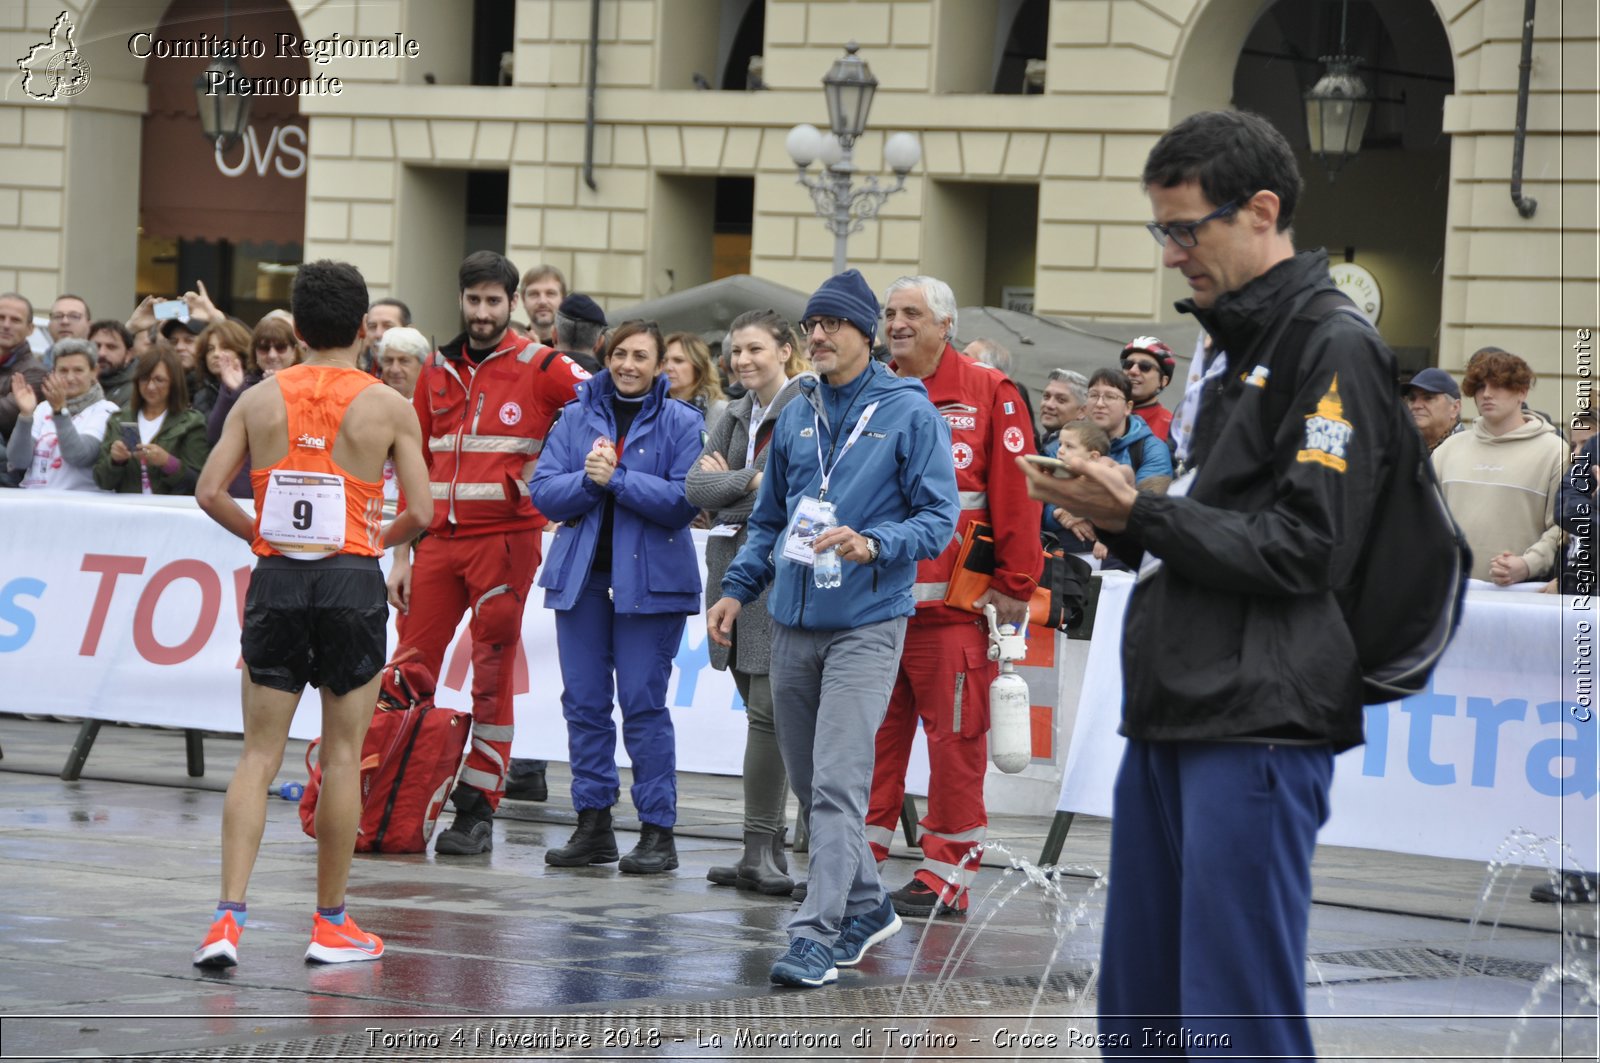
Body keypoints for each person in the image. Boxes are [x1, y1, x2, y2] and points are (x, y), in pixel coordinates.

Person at [1016, 109, 1399, 1059]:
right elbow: (1216, 515)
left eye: (1187, 228)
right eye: (1164, 230)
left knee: (1233, 1016)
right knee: (1142, 1014)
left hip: (1259, 715)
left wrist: (1138, 514)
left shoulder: (1332, 344)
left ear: (1262, 210)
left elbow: (1310, 545)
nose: (1173, 253)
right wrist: (1128, 506)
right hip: (1177, 702)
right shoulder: (1231, 343)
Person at [707, 269, 959, 988]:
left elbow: (939, 519)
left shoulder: (909, 411)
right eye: (810, 325)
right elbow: (769, 519)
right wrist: (736, 590)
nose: (816, 335)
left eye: (831, 325)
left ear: (864, 335)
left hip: (867, 622)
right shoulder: (797, 411)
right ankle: (869, 904)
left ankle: (816, 933)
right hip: (790, 617)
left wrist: (874, 542)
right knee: (813, 783)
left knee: (840, 784)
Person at [191, 259, 431, 968]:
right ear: (364, 329)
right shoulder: (389, 404)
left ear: (295, 330)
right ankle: (329, 925)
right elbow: (421, 511)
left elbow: (209, 491)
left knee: (257, 756)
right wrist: (371, 543)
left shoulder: (259, 399)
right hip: (351, 579)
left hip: (278, 579)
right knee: (343, 756)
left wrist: (262, 533)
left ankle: (226, 920)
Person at [387, 251, 590, 856]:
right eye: (473, 300)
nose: (482, 312)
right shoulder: (435, 369)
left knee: (492, 674)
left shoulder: (545, 365)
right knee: (407, 668)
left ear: (512, 303)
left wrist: (566, 483)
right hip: (437, 544)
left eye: (493, 302)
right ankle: (399, 789)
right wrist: (400, 555)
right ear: (460, 300)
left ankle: (476, 810)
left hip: (506, 541)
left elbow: (603, 408)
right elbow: (412, 462)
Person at [867, 275, 1042, 918]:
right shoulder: (875, 389)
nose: (897, 324)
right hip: (877, 609)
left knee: (955, 746)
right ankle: (857, 865)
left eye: (912, 313)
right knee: (869, 741)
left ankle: (946, 878)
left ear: (946, 325)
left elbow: (1018, 494)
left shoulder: (989, 391)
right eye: (890, 314)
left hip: (954, 616)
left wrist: (1015, 586)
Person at [528, 320, 703, 874]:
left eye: (641, 356)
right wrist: (589, 481)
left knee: (643, 706)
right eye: (620, 354)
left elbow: (684, 500)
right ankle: (594, 824)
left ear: (660, 366)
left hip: (650, 588)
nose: (628, 365)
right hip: (580, 582)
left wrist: (618, 478)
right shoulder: (575, 416)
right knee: (583, 704)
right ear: (607, 356)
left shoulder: (683, 422)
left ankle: (657, 831)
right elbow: (543, 491)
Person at [684, 309, 812, 894]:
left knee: (768, 717)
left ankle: (765, 850)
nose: (742, 361)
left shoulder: (805, 405)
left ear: (786, 350)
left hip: (776, 575)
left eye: (755, 349)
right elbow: (695, 488)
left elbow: (789, 496)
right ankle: (760, 852)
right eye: (736, 351)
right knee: (762, 714)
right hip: (731, 575)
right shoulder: (733, 411)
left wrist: (733, 481)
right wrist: (750, 480)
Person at [1432, 348, 1565, 586]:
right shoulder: (1447, 450)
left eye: (1498, 385)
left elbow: (1564, 528)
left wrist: (1527, 564)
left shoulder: (1556, 452)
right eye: (1480, 387)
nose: (1487, 394)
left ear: (1522, 392)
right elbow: (1424, 519)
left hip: (1519, 597)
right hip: (1447, 591)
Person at [92, 341, 209, 495]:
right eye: (144, 379)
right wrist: (115, 461)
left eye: (159, 380)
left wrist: (168, 462)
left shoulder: (191, 422)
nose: (150, 387)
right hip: (130, 511)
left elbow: (198, 482)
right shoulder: (119, 418)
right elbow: (102, 481)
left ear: (174, 383)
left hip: (171, 512)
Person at [6, 339, 121, 491]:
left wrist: (60, 412)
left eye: (78, 370)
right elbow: (18, 461)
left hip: (79, 507)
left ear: (94, 372)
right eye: (63, 370)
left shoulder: (106, 410)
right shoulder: (43, 408)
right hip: (34, 503)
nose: (70, 378)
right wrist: (25, 415)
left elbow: (79, 456)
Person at [1084, 367, 1173, 487]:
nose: (1099, 404)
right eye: (1093, 395)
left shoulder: (1152, 450)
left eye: (1110, 397)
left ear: (1128, 407)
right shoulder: (1067, 439)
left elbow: (1147, 501)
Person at [1038, 368, 1090, 546]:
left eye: (1061, 400)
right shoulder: (1043, 444)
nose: (1049, 404)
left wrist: (1059, 511)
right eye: (1046, 397)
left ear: (1082, 411)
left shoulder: (1086, 451)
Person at [0, 293, 48, 449]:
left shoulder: (35, 372)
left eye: (15, 320)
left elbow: (5, 418)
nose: (6, 325)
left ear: (30, 329)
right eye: (1, 317)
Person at [664, 331, 728, 427]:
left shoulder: (721, 411)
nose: (668, 367)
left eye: (678, 361)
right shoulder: (650, 412)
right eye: (663, 361)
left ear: (698, 367)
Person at [1120, 336, 1176, 441]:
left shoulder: (1172, 428)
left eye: (1145, 366)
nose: (1133, 371)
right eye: (1128, 364)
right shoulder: (1102, 414)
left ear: (1163, 381)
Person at [1404, 367, 1463, 452]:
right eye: (1412, 398)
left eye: (1428, 398)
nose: (1416, 405)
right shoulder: (1402, 450)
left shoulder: (1468, 451)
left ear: (1454, 408)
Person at [90, 319, 138, 410]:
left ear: (128, 354)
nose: (101, 353)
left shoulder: (137, 391)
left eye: (111, 347)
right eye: (96, 346)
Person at [519, 264, 568, 344]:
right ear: (523, 300)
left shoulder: (576, 348)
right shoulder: (511, 346)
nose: (542, 301)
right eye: (534, 294)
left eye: (550, 293)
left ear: (563, 299)